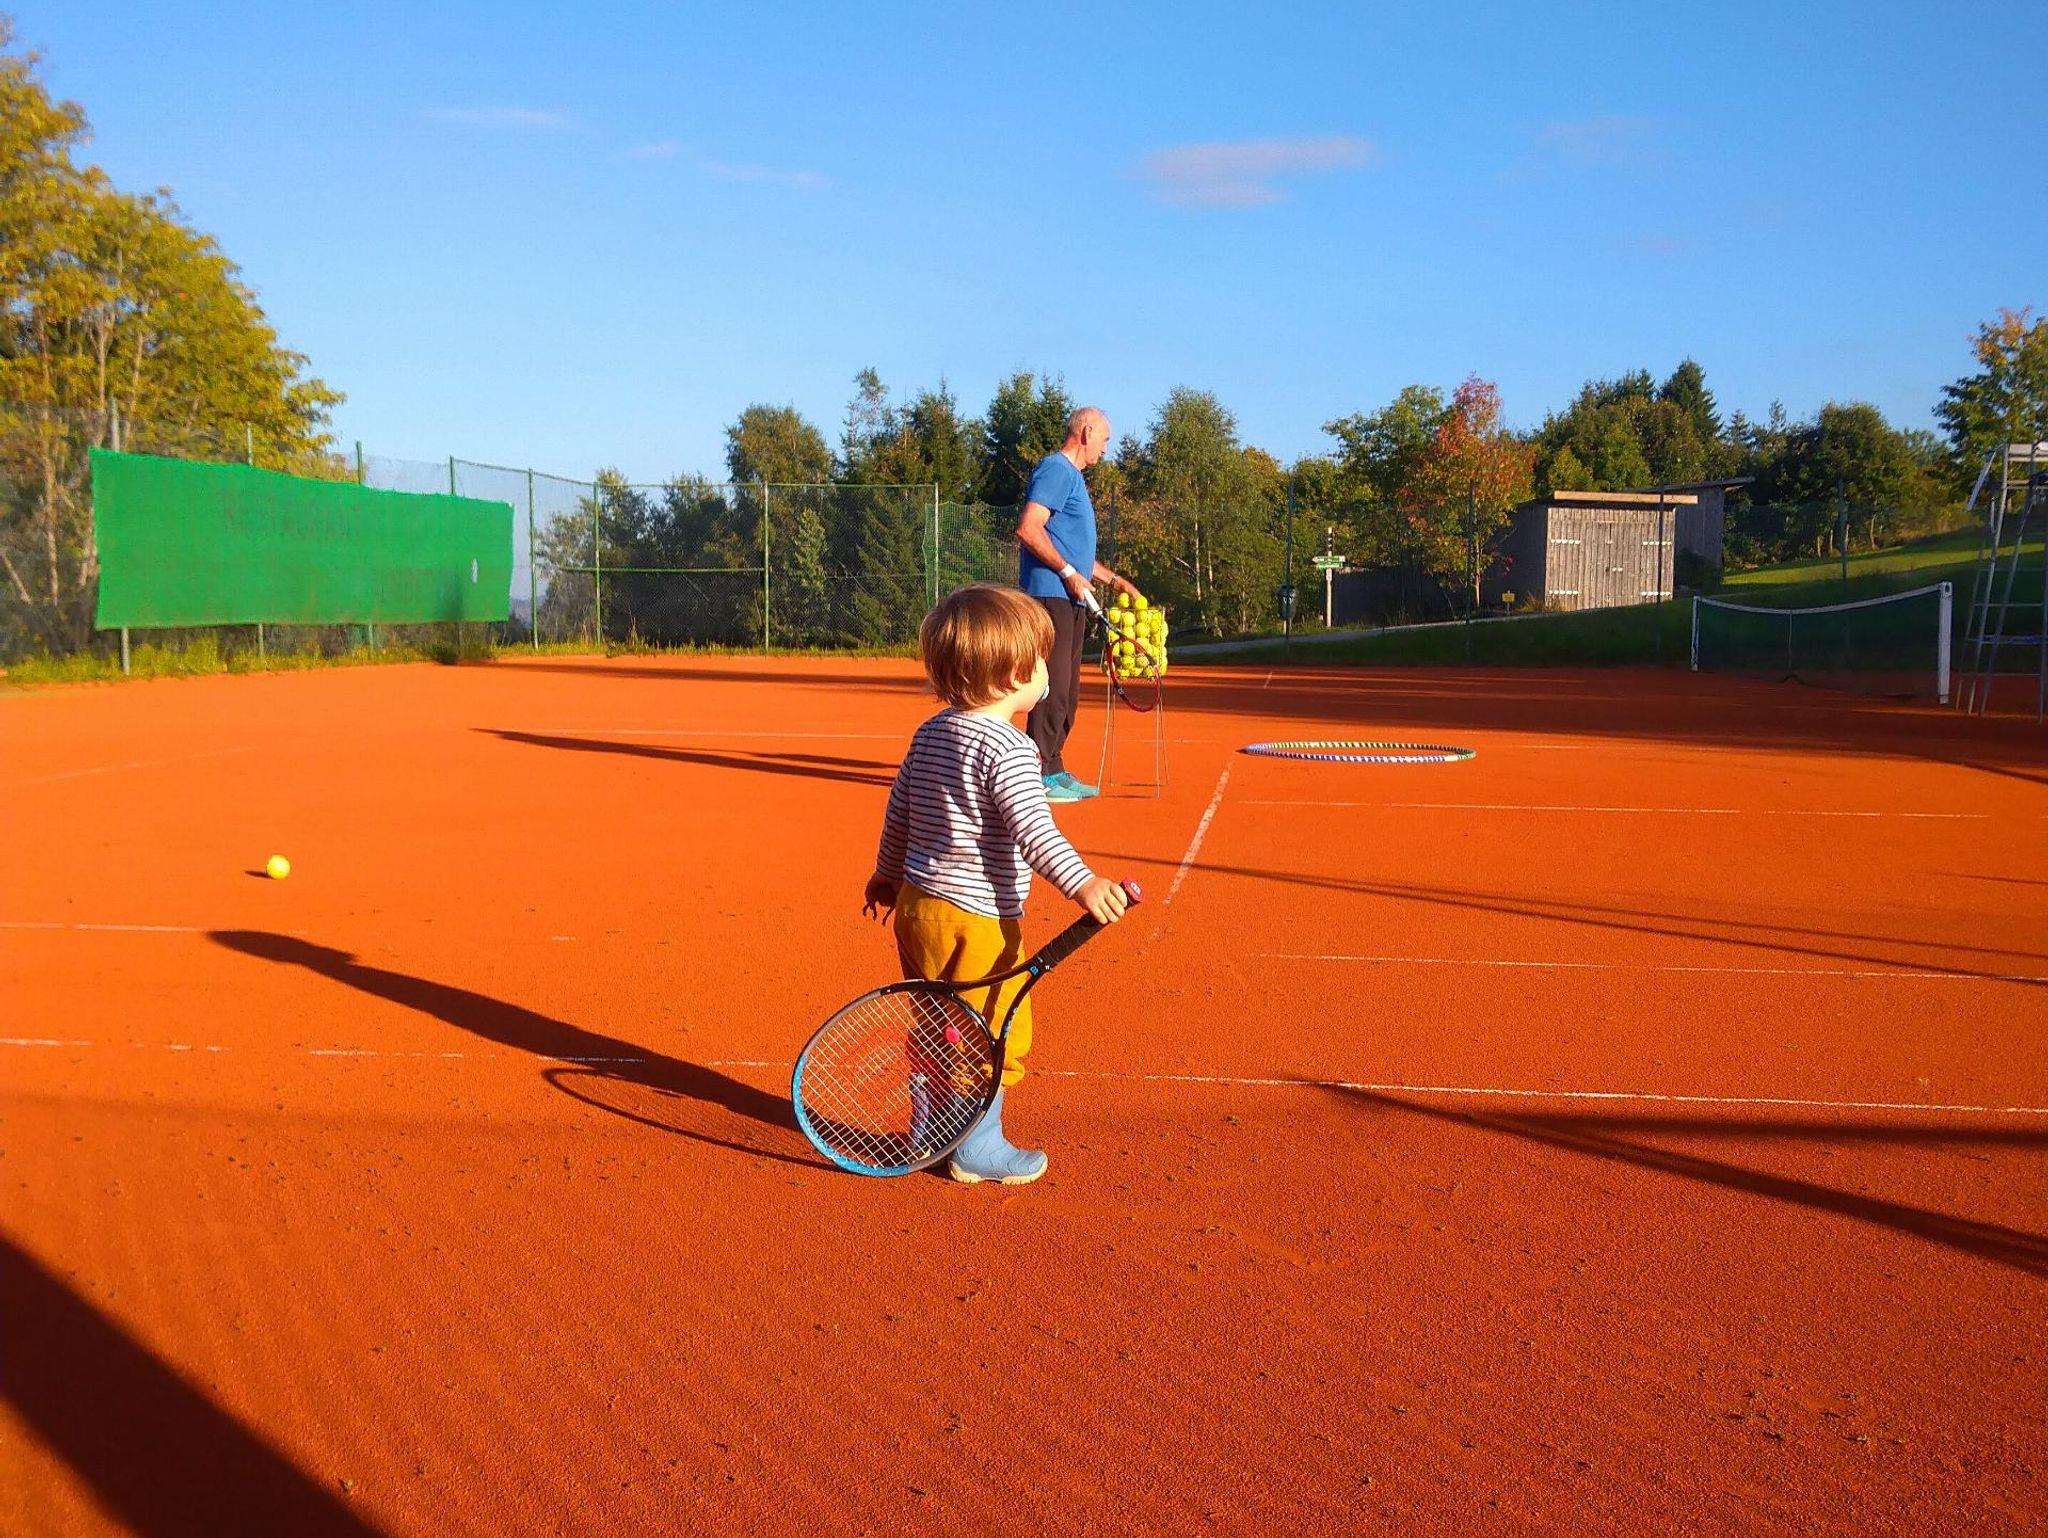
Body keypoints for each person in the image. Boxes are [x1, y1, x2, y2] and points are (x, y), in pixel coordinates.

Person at [864, 584, 1131, 1185]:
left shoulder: (930, 733)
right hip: (975, 918)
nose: (1048, 671)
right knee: (998, 1026)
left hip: (916, 907)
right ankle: (975, 1146)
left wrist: (885, 875)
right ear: (1016, 674)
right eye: (1043, 660)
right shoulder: (1010, 748)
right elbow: (1036, 832)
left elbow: (898, 812)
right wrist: (1084, 885)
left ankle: (930, 1128)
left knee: (937, 1023)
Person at [1015, 406, 1144, 803]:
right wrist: (1068, 573)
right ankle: (1037, 774)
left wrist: (1115, 581)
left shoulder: (1073, 478)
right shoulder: (1055, 470)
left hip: (1070, 596)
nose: (1106, 449)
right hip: (1050, 594)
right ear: (1086, 432)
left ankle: (1053, 766)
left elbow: (1074, 552)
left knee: (1068, 692)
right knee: (1051, 687)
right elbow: (1029, 528)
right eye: (1104, 439)